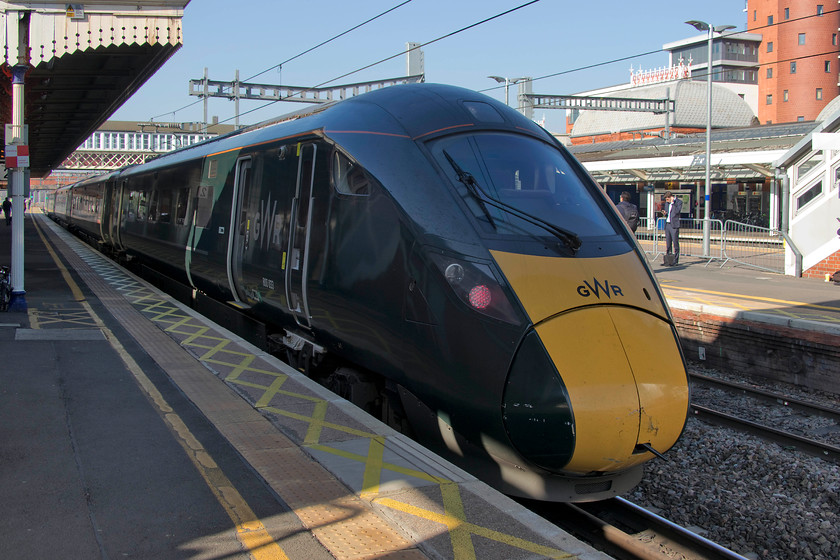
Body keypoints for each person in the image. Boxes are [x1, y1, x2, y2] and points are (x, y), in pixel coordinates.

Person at [662, 191, 682, 265]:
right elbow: (667, 213)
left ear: (671, 197)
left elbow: (677, 211)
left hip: (674, 225)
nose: (666, 201)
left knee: (675, 243)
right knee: (668, 243)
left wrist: (673, 203)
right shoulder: (667, 203)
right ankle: (668, 260)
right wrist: (665, 213)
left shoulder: (678, 202)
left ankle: (675, 260)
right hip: (668, 224)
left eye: (667, 199)